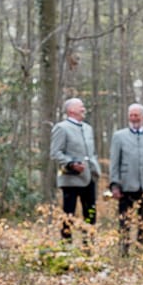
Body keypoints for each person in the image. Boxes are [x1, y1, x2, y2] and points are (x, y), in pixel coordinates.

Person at [109, 103, 143, 254]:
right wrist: (114, 185)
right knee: (124, 220)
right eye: (131, 115)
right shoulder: (119, 136)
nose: (133, 118)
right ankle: (124, 250)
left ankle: (142, 250)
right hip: (126, 186)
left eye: (136, 115)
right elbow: (114, 163)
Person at [50, 97, 101, 246]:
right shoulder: (61, 128)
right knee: (68, 215)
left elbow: (91, 153)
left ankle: (88, 247)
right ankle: (66, 248)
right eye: (81, 107)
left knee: (90, 214)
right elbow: (55, 153)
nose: (84, 109)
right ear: (71, 110)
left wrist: (95, 167)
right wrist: (71, 163)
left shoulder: (88, 128)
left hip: (89, 177)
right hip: (71, 179)